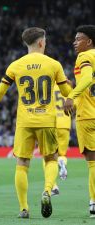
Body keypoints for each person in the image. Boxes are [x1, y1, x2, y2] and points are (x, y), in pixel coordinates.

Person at [0, 27, 72, 218]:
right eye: (45, 41)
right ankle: (47, 190)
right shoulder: (54, 64)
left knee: (22, 163)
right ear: (41, 42)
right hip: (46, 120)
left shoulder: (16, 65)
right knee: (51, 159)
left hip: (25, 121)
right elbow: (66, 93)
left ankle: (24, 208)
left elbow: (0, 92)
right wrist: (72, 98)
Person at [64, 25, 95, 218]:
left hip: (89, 116)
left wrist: (71, 96)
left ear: (89, 41)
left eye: (78, 39)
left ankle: (93, 202)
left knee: (93, 162)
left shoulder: (84, 57)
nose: (75, 43)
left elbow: (87, 79)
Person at [43, 84, 72, 196]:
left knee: (48, 157)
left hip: (52, 123)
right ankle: (62, 163)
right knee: (62, 154)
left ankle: (53, 186)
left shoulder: (48, 85)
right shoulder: (67, 86)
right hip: (65, 124)